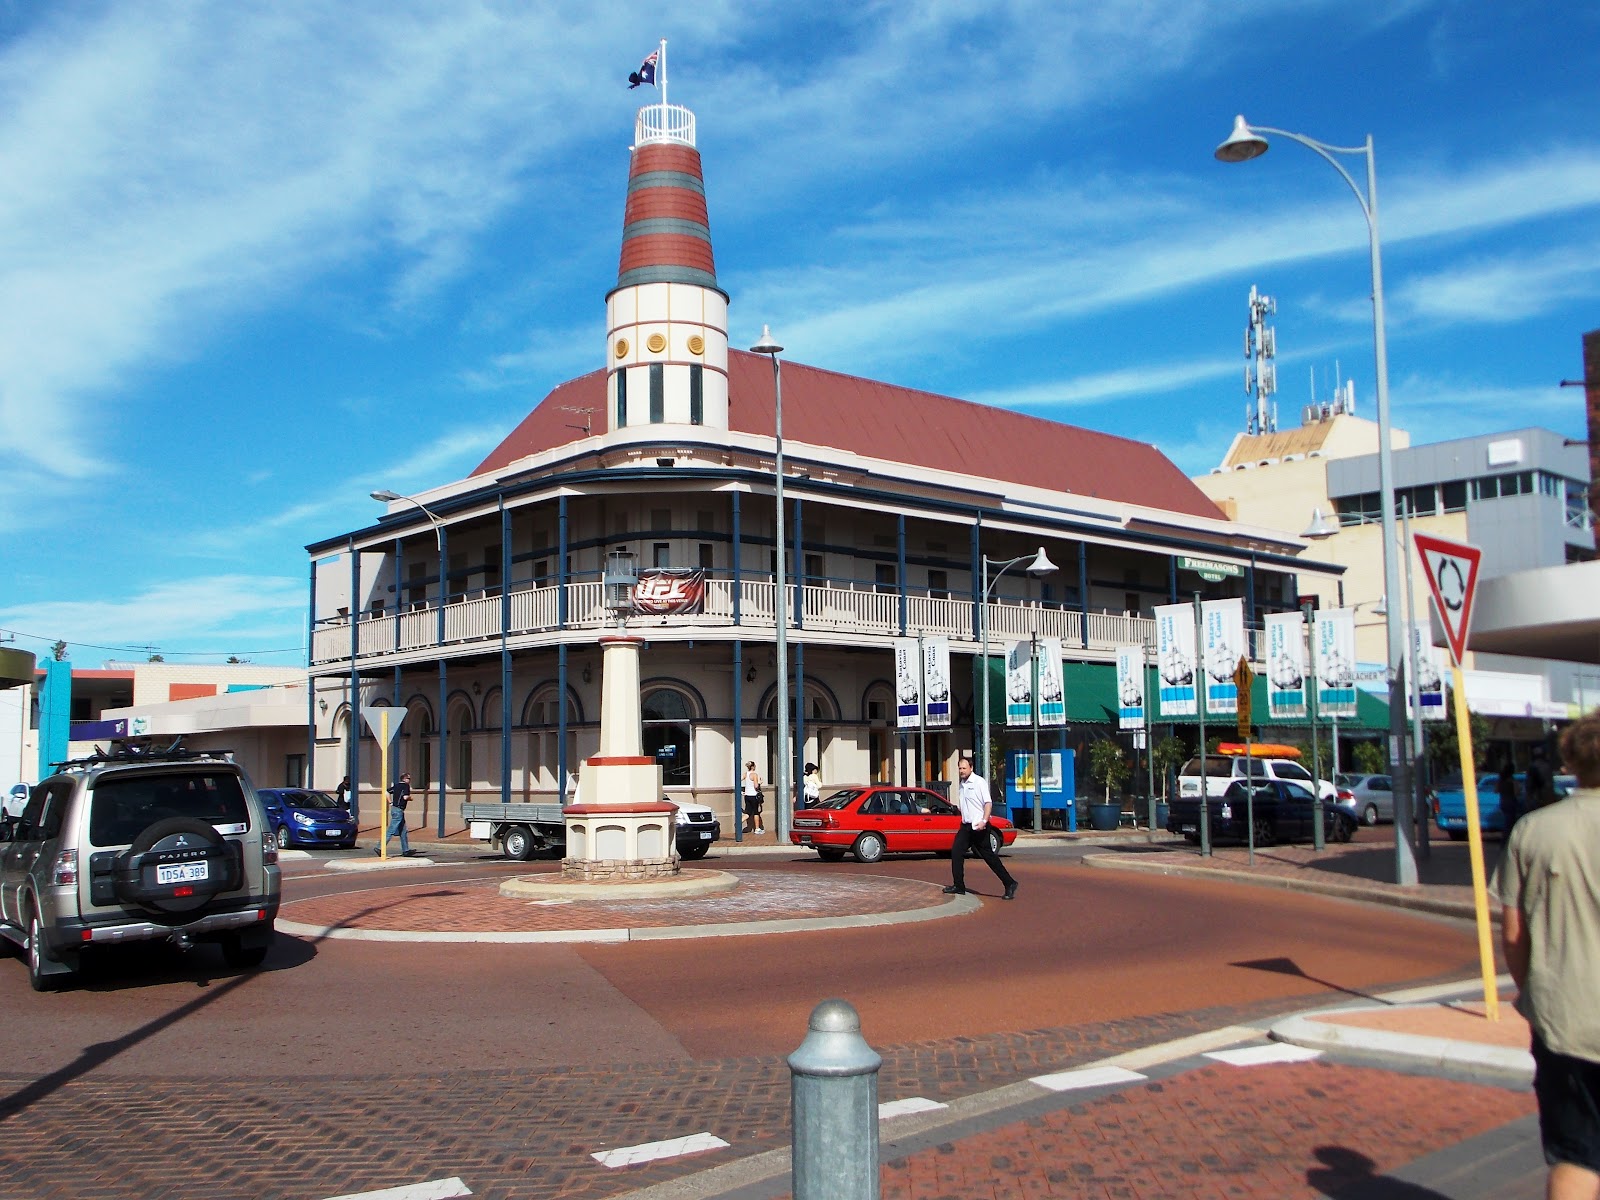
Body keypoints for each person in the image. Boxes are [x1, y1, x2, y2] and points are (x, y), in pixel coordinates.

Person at [1498, 711, 1600, 1200]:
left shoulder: (1533, 831)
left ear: (1570, 760)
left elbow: (1514, 934)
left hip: (1564, 1019)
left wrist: (1532, 995)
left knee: (1576, 1157)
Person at [946, 754, 1017, 900]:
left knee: (989, 857)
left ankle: (1009, 883)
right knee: (956, 852)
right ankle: (959, 885)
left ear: (971, 768)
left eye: (964, 768)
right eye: (960, 768)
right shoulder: (962, 784)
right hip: (966, 827)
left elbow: (988, 803)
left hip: (979, 827)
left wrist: (984, 821)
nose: (961, 771)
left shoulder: (979, 782)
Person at [378, 771, 415, 856]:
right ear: (405, 779)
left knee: (403, 830)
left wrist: (390, 802)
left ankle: (406, 850)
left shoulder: (396, 786)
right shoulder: (406, 786)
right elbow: (405, 797)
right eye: (409, 778)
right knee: (391, 830)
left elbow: (387, 792)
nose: (409, 780)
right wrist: (410, 798)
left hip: (395, 809)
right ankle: (380, 847)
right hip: (399, 810)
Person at [1525, 744, 1552, 812]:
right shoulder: (1547, 766)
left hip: (1537, 795)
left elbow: (1529, 783)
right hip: (1545, 794)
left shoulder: (1532, 766)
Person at [1498, 760, 1522, 833]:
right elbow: (1516, 792)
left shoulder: (1501, 780)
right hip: (1511, 802)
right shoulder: (1513, 780)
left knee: (1507, 821)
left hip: (1503, 801)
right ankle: (1507, 837)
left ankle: (1506, 836)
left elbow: (1496, 790)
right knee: (1510, 822)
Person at [742, 761, 764, 833]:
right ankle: (757, 829)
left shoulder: (745, 774)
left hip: (747, 795)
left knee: (748, 812)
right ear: (753, 767)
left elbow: (738, 780)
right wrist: (759, 782)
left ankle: (739, 823)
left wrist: (742, 791)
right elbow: (756, 786)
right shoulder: (754, 775)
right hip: (753, 795)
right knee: (755, 812)